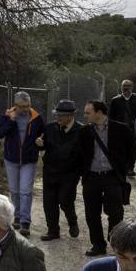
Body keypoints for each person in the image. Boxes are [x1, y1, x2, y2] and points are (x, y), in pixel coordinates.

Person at [78, 100, 136, 257]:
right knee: (92, 213)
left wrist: (124, 169)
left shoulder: (121, 129)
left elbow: (131, 150)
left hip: (112, 176)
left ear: (99, 112)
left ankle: (115, 244)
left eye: (88, 112)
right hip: (92, 177)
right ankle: (98, 245)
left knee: (116, 212)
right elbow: (79, 154)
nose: (85, 116)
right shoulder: (85, 131)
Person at [0, 91, 44, 236]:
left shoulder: (36, 118)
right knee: (14, 190)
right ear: (15, 106)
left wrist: (40, 143)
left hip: (29, 160)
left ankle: (25, 222)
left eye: (27, 106)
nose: (25, 109)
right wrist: (11, 121)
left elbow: (44, 135)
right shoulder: (8, 116)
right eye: (22, 107)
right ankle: (16, 216)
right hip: (11, 159)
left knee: (25, 191)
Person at [35, 100, 83, 241]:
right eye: (57, 115)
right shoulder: (49, 128)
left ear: (70, 116)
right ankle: (53, 231)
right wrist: (39, 144)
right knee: (49, 202)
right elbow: (43, 146)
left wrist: (79, 172)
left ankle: (72, 221)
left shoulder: (81, 130)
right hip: (50, 171)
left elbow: (84, 154)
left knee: (65, 201)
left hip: (69, 174)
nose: (58, 118)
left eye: (61, 115)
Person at [109, 80, 136, 177]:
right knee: (120, 148)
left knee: (132, 148)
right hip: (119, 129)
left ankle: (130, 167)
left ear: (132, 87)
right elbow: (111, 116)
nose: (126, 88)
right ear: (121, 87)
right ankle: (122, 166)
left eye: (128, 86)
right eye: (124, 86)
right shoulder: (115, 100)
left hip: (133, 128)